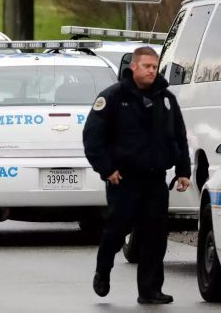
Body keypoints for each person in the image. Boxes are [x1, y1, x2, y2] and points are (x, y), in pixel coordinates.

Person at [82, 46, 191, 305]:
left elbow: (179, 136)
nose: (152, 71)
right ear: (134, 67)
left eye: (155, 67)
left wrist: (183, 170)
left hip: (155, 179)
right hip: (124, 179)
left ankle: (150, 290)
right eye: (147, 66)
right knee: (117, 231)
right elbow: (93, 138)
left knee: (155, 235)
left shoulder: (166, 99)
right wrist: (107, 170)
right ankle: (103, 271)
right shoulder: (113, 98)